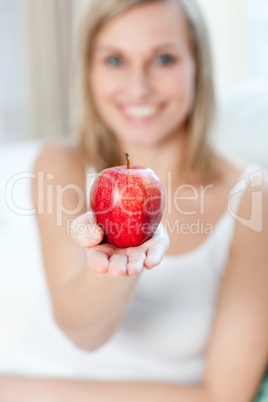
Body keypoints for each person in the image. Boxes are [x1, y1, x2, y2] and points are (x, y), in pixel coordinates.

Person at [0, 0, 268, 400]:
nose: (138, 87)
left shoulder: (254, 198)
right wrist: (115, 267)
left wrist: (20, 390)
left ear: (199, 65)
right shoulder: (61, 164)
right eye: (114, 60)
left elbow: (226, 395)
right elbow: (82, 335)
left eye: (163, 58)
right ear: (89, 71)